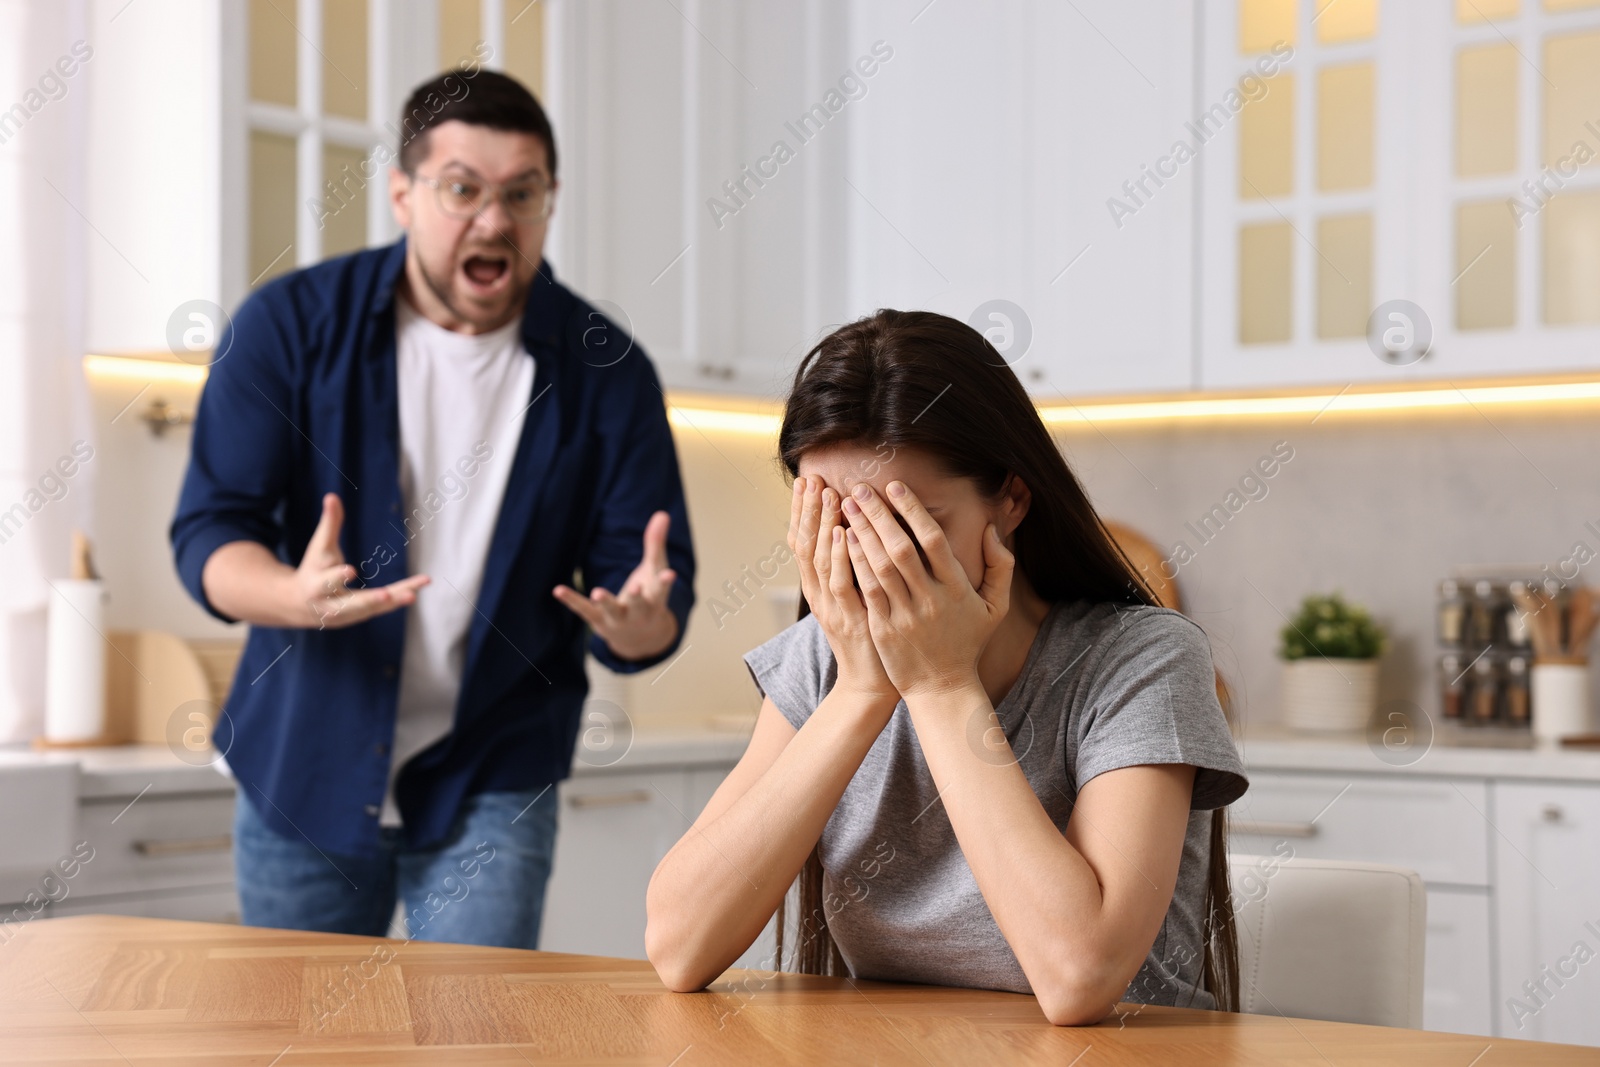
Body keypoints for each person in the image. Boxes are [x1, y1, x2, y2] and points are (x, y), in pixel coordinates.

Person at [170, 68, 695, 949]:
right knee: (298, 1039)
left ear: (549, 202)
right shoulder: (290, 325)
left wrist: (641, 623)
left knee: (476, 1035)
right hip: (303, 761)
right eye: (463, 189)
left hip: (494, 766)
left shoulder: (607, 370)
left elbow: (644, 593)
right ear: (404, 194)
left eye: (521, 194)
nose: (495, 220)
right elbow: (210, 531)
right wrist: (290, 596)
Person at [643, 309, 1247, 1025]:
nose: (875, 562)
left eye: (907, 525)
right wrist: (864, 688)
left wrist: (938, 683)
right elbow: (679, 945)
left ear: (1011, 501)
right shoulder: (822, 661)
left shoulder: (1141, 658)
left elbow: (1079, 974)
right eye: (838, 526)